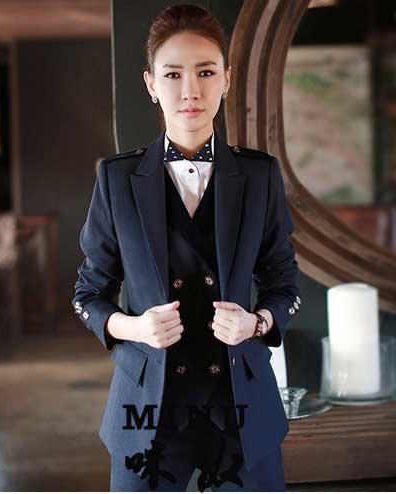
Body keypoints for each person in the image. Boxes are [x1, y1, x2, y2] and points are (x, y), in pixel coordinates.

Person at [72, 4, 301, 492]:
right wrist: (135, 327)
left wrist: (256, 323)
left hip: (241, 405)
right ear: (151, 84)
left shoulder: (260, 175)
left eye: (206, 72)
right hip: (147, 410)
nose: (190, 90)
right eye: (173, 74)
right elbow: (87, 295)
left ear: (227, 79)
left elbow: (284, 283)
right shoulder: (116, 179)